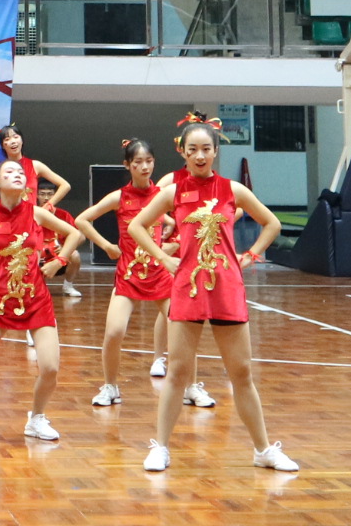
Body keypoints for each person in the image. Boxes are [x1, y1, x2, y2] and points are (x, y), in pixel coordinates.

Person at [124, 112, 296, 473]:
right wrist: (162, 258)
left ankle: (263, 450)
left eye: (206, 149)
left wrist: (250, 256)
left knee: (242, 373)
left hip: (227, 289)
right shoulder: (173, 192)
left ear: (216, 151)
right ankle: (161, 447)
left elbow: (272, 223)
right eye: (192, 150)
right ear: (183, 153)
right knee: (177, 372)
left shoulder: (233, 190)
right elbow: (137, 226)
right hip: (187, 288)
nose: (199, 155)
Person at [0, 157, 103, 443]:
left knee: (50, 367)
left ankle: (37, 418)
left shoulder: (36, 213)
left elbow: (75, 233)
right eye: (9, 172)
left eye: (20, 172)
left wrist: (60, 260)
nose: (17, 174)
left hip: (36, 300)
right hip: (0, 301)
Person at [79, 137, 200, 408]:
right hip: (129, 275)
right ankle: (110, 386)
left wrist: (174, 242)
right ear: (127, 165)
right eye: (138, 162)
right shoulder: (119, 197)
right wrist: (107, 246)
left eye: (149, 161)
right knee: (114, 332)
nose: (145, 167)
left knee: (184, 330)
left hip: (160, 274)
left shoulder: (163, 194)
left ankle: (191, 388)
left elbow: (188, 222)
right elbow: (82, 220)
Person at [0, 124, 70, 210]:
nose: (13, 141)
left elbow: (65, 185)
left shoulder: (35, 165)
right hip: (5, 219)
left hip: (31, 219)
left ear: (22, 141)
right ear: (2, 146)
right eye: (7, 139)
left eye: (16, 137)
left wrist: (48, 205)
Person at [37, 179, 83, 300]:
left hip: (57, 257)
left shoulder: (63, 215)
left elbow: (80, 237)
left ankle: (68, 286)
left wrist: (65, 249)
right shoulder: (32, 213)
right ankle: (36, 287)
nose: (46, 198)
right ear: (36, 195)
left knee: (75, 255)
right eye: (42, 194)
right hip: (36, 256)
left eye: (50, 194)